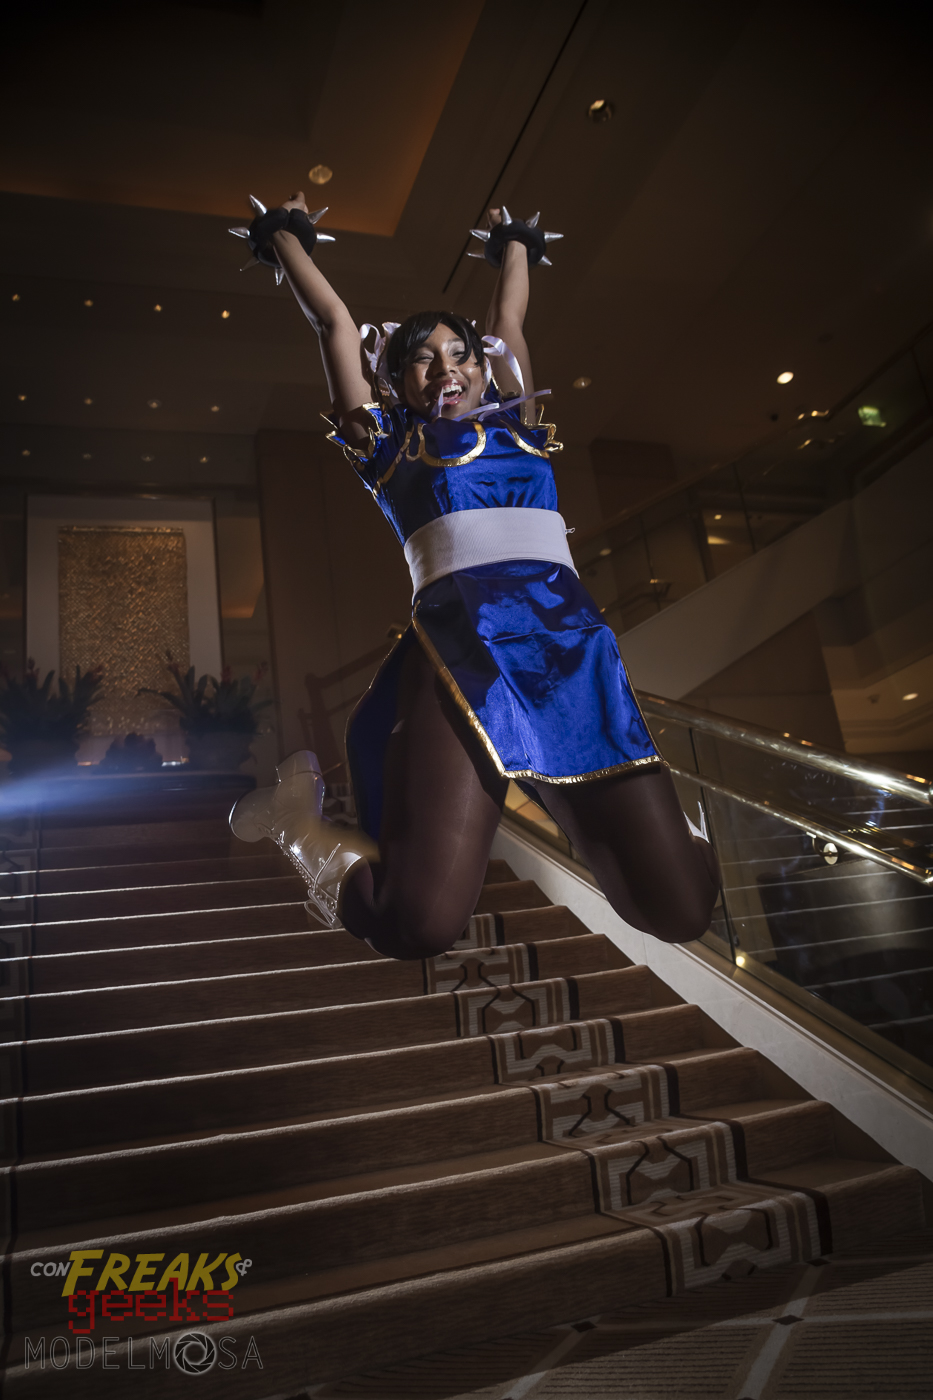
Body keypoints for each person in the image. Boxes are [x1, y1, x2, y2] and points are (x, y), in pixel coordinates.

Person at [230, 193, 720, 960]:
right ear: (396, 382)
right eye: (421, 358)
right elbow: (332, 323)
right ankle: (299, 822)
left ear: (483, 371)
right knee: (416, 924)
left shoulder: (519, 423)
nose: (445, 369)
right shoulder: (387, 446)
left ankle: (653, 818)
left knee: (680, 911)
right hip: (461, 660)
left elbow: (509, 319)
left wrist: (512, 242)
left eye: (458, 354)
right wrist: (284, 236)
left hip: (570, 660)